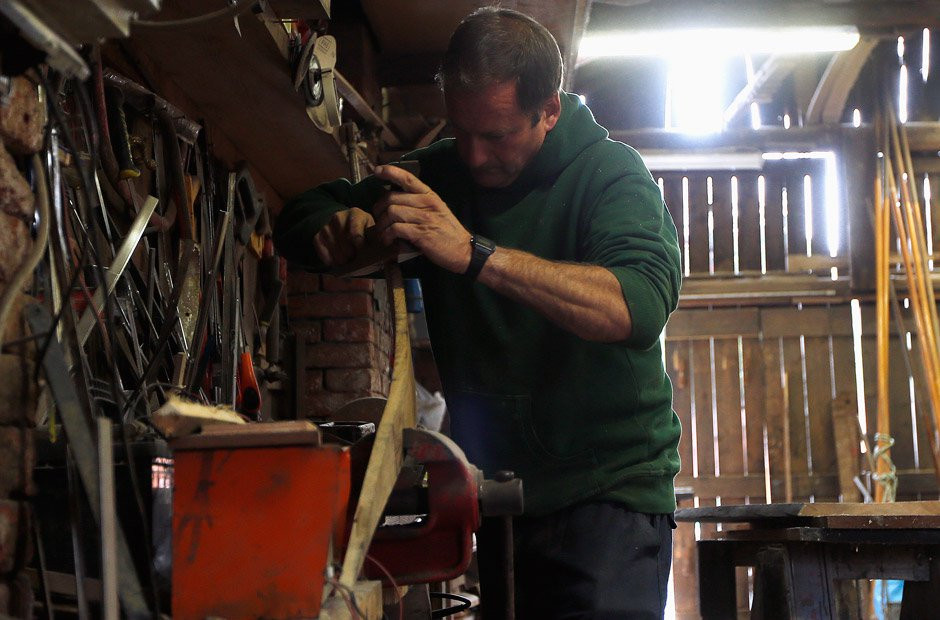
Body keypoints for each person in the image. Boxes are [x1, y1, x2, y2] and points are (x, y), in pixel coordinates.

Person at [274, 7, 682, 618]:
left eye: (495, 136)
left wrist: (472, 254)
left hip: (609, 495)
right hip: (498, 498)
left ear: (548, 110)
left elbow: (634, 306)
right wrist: (342, 229)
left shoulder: (610, 175)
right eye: (460, 131)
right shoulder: (439, 173)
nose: (473, 156)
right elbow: (302, 214)